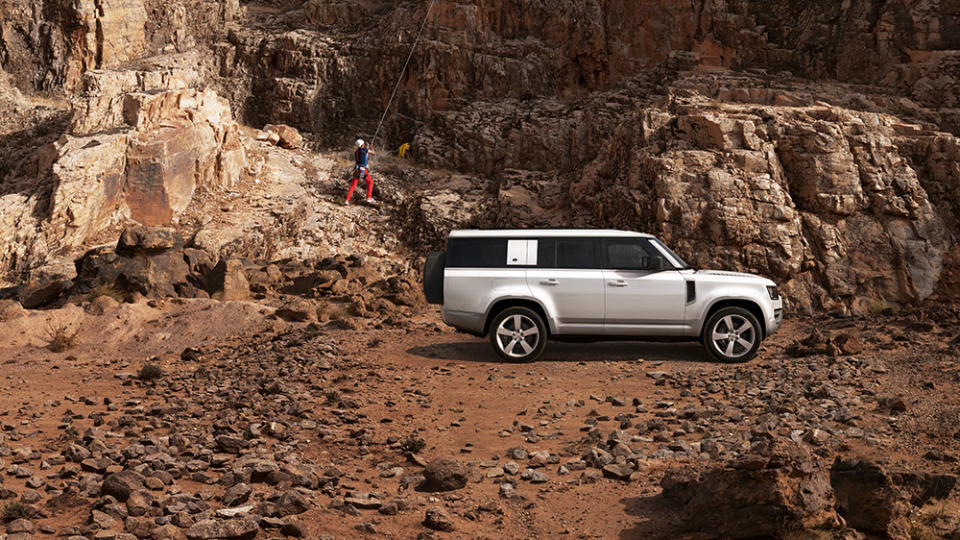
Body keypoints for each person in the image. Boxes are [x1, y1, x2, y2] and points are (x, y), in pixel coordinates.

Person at [345, 138, 375, 205]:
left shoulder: (356, 152)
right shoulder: (365, 150)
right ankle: (369, 197)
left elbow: (364, 156)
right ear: (362, 145)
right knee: (370, 182)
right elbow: (373, 152)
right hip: (363, 170)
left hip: (357, 170)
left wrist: (367, 148)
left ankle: (347, 200)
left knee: (353, 185)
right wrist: (372, 146)